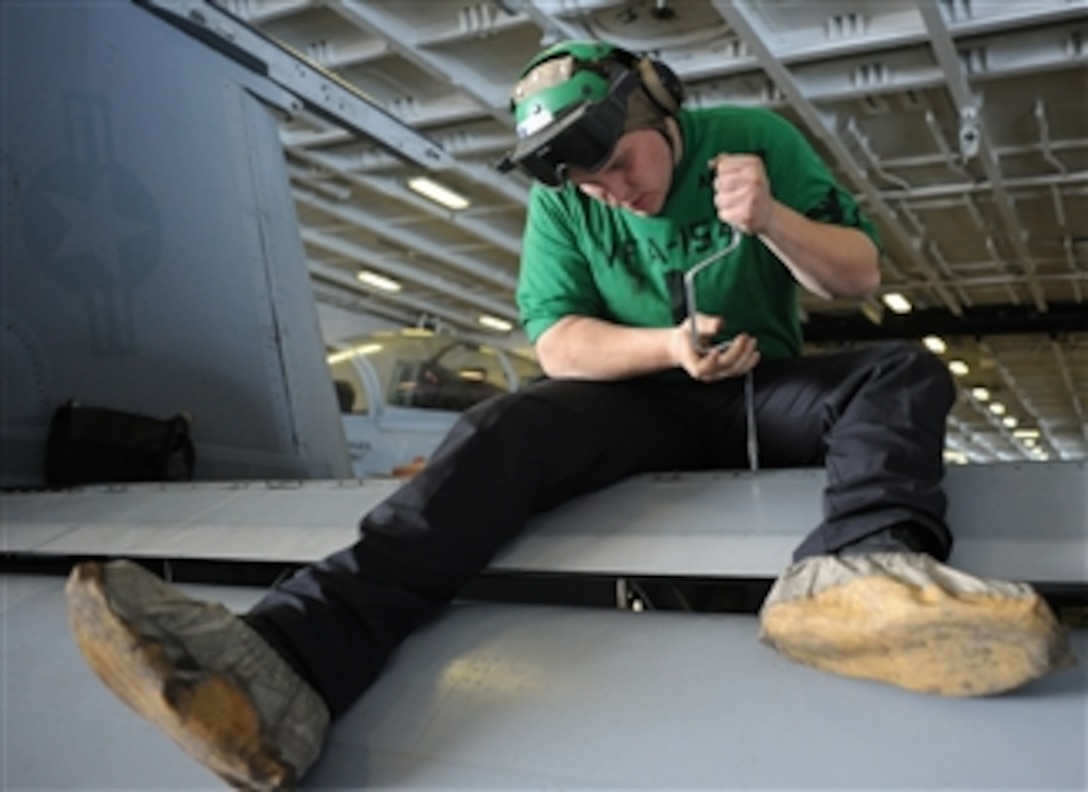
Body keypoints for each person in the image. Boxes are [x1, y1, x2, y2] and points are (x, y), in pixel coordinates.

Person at [66, 40, 1075, 789]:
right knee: (509, 424)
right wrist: (666, 349)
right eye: (588, 181)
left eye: (621, 164)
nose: (613, 193)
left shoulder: (750, 140)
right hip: (643, 396)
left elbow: (857, 277)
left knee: (896, 371)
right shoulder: (566, 202)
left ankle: (858, 576)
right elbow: (554, 342)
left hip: (763, 389)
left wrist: (768, 220)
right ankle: (285, 667)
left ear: (657, 107)